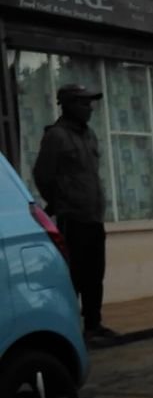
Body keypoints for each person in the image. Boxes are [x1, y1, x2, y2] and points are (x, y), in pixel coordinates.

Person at [33, 84, 116, 342]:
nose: (89, 108)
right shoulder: (56, 136)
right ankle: (70, 330)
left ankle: (93, 325)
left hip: (93, 217)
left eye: (90, 103)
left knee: (95, 274)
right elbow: (43, 175)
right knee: (74, 277)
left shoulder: (89, 135)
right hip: (72, 218)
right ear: (67, 104)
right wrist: (60, 201)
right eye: (83, 102)